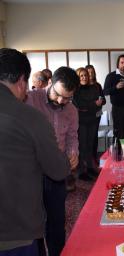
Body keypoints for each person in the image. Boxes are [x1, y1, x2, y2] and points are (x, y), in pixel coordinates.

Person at [0, 48, 69, 255]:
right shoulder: (29, 116)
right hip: (15, 231)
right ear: (22, 80)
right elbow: (57, 170)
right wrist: (66, 162)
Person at [26, 66, 79, 256]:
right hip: (31, 171)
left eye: (67, 97)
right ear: (50, 83)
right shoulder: (29, 100)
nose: (61, 101)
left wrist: (74, 152)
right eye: (58, 95)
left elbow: (72, 136)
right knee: (34, 222)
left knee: (57, 220)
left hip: (57, 170)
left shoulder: (71, 110)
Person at [73, 67, 102, 180]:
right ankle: (81, 171)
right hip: (81, 121)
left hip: (93, 120)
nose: (84, 77)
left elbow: (100, 100)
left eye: (85, 75)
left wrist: (93, 104)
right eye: (81, 76)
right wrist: (94, 104)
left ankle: (90, 168)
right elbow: (80, 105)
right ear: (78, 78)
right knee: (82, 146)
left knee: (90, 146)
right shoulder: (76, 89)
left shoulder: (94, 87)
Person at [103, 54, 124, 139]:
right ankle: (118, 152)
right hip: (117, 109)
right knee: (118, 133)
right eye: (122, 62)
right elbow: (105, 92)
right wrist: (115, 87)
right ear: (118, 64)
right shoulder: (111, 76)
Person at [85, 64, 106, 165]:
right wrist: (94, 103)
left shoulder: (98, 85)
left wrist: (101, 101)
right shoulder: (83, 86)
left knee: (94, 137)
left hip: (97, 115)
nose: (90, 74)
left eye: (92, 72)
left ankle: (94, 158)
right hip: (86, 116)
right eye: (88, 72)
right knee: (86, 138)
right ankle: (87, 160)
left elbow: (104, 99)